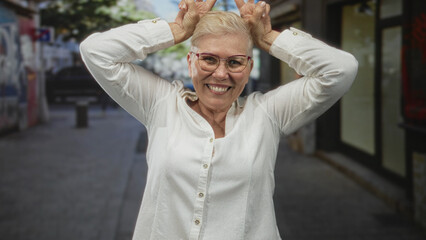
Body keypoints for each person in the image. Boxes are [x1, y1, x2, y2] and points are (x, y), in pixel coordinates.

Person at [80, 0, 358, 239]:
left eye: (235, 62)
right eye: (209, 59)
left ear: (248, 68)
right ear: (190, 62)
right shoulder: (162, 105)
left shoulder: (267, 114)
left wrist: (270, 38)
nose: (221, 74)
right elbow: (96, 52)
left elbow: (341, 70)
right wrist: (177, 30)